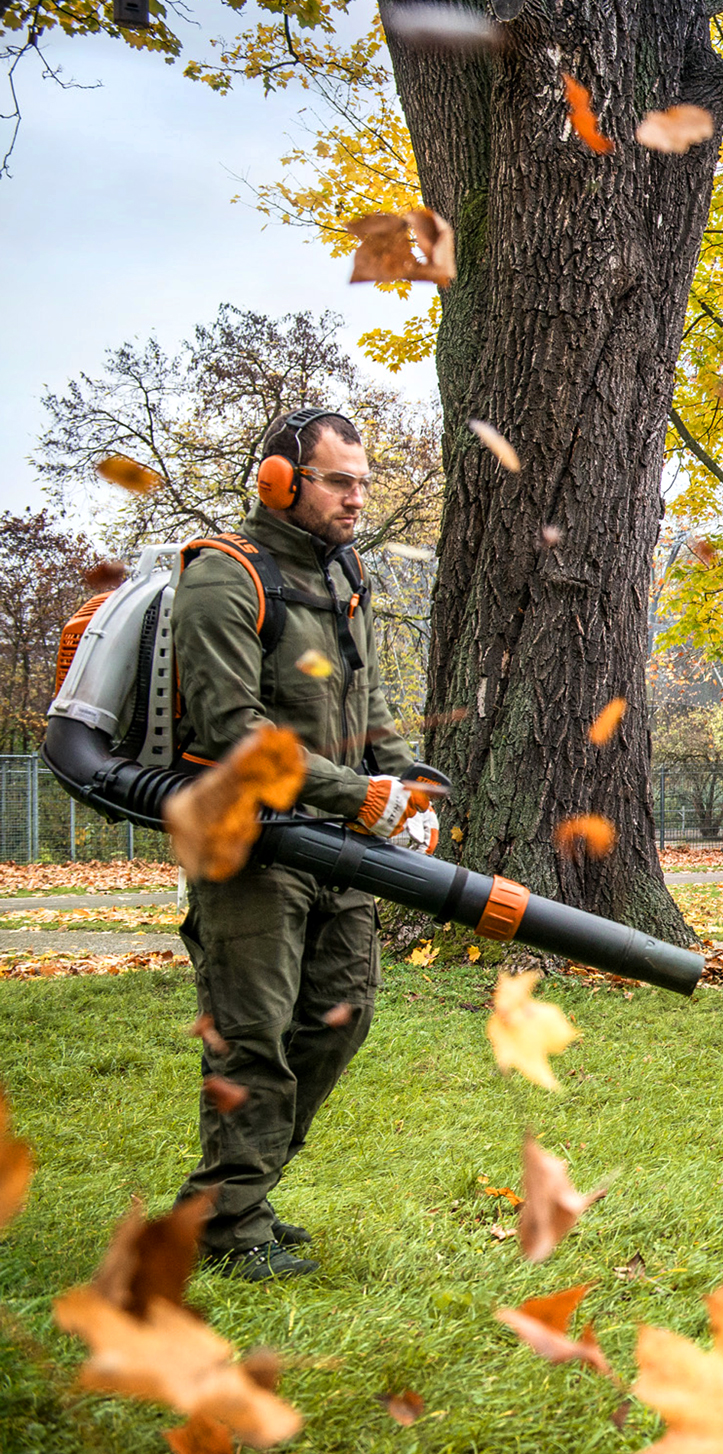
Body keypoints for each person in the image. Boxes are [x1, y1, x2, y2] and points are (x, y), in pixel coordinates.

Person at [172, 407, 439, 1282]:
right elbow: (234, 733)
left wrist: (407, 784)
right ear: (280, 481)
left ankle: (231, 1198)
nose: (357, 497)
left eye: (363, 481)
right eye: (339, 480)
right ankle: (230, 1223)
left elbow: (363, 707)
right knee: (255, 1038)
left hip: (338, 848)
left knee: (339, 1018)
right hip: (251, 852)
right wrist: (358, 795)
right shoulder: (224, 577)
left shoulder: (344, 575)